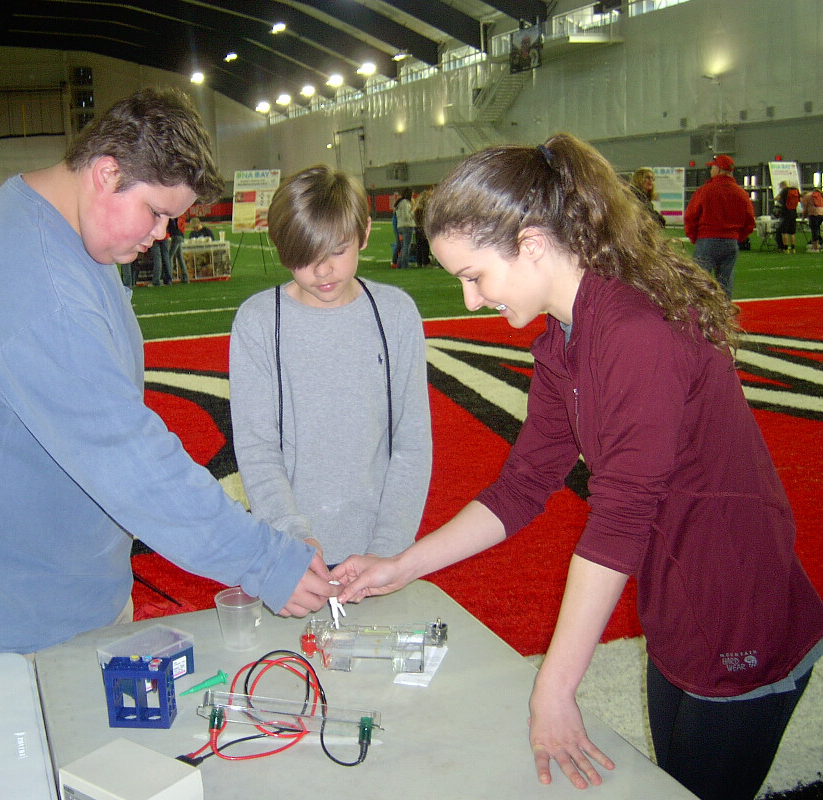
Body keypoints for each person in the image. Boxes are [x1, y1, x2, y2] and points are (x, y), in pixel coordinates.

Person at [333, 134, 823, 800]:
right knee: (670, 783)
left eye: (474, 276)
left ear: (531, 244)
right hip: (676, 595)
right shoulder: (564, 338)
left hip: (736, 602)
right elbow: (522, 486)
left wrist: (555, 688)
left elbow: (620, 517)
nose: (470, 300)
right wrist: (401, 566)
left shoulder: (634, 332)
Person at [0, 88, 336, 657]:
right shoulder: (41, 287)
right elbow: (126, 455)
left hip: (50, 582)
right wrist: (266, 560)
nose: (163, 233)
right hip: (12, 613)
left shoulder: (50, 221)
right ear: (106, 172)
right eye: (157, 212)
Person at [229, 165, 431, 566]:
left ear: (364, 232)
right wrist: (292, 538)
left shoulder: (396, 315)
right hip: (289, 551)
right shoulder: (258, 322)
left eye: (338, 250)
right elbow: (257, 448)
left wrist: (387, 547)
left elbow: (412, 442)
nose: (322, 270)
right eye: (304, 256)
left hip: (380, 552)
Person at [683, 154, 755, 297]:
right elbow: (749, 222)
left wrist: (694, 237)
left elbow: (690, 216)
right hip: (731, 242)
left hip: (706, 240)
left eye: (712, 167)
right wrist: (736, 237)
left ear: (718, 169)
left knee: (699, 282)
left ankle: (700, 309)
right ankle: (724, 309)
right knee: (725, 283)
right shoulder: (741, 193)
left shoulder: (705, 190)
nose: (711, 170)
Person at [775, 181, 801, 254]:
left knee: (784, 231)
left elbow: (777, 198)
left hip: (786, 212)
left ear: (783, 185)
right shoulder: (795, 190)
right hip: (794, 212)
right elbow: (800, 199)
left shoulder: (785, 191)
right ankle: (793, 248)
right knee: (792, 232)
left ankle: (786, 248)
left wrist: (776, 198)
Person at [394, 188, 416, 269]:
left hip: (400, 226)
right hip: (406, 226)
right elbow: (406, 216)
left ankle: (400, 264)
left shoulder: (400, 203)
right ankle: (404, 264)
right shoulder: (405, 203)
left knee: (403, 246)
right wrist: (413, 212)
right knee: (406, 246)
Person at [167, 215, 188, 283]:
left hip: (176, 236)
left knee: (170, 256)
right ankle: (185, 277)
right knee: (180, 257)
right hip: (180, 235)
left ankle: (169, 276)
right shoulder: (181, 215)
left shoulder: (175, 215)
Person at [802, 185, 823, 252]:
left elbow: (805, 209)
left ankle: (815, 248)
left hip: (813, 214)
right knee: (818, 230)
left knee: (814, 231)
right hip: (821, 213)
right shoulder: (819, 194)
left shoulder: (806, 197)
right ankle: (819, 245)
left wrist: (803, 217)